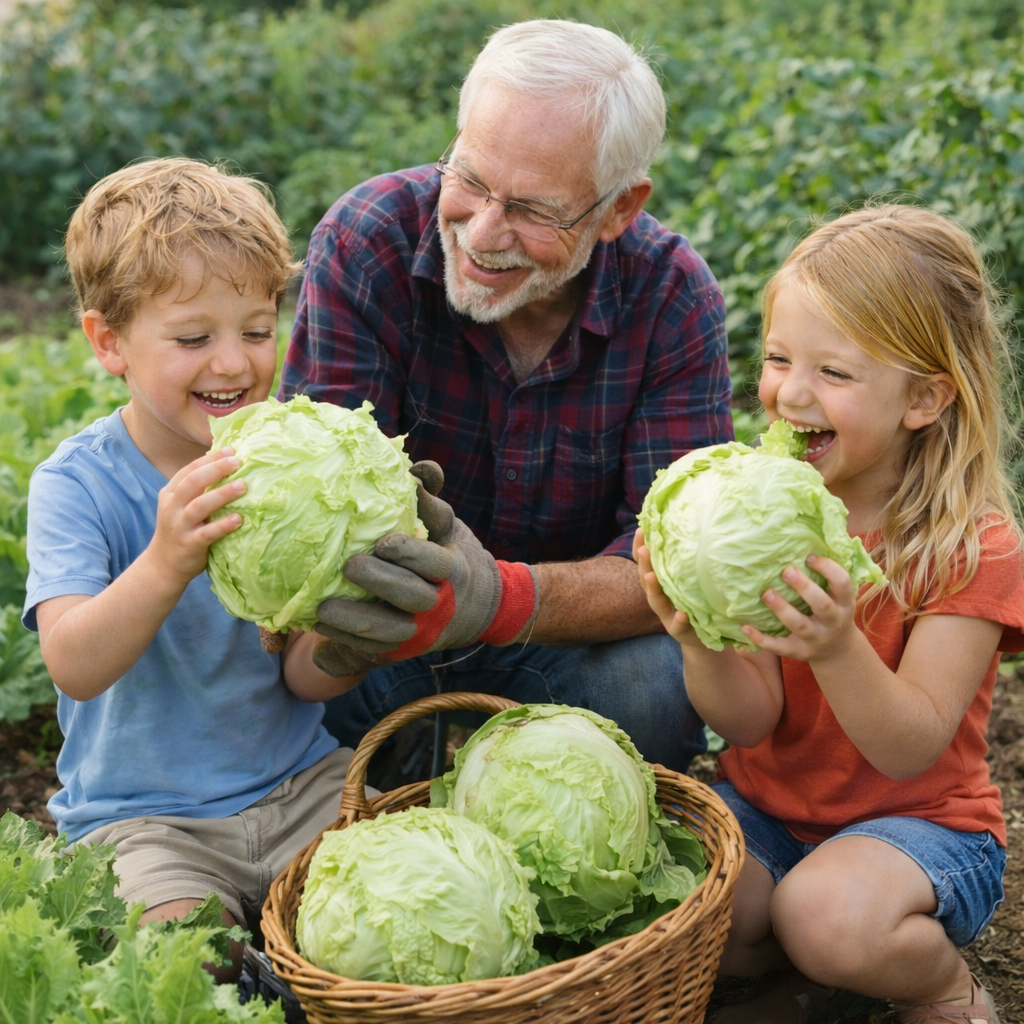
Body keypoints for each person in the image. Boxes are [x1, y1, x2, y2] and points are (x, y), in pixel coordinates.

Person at [278, 18, 733, 776]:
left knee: (654, 685)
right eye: (469, 181)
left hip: (555, 644)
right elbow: (307, 494)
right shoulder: (370, 241)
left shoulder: (672, 299)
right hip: (385, 629)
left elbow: (675, 561)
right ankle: (387, 779)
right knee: (282, 687)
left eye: (533, 210)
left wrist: (497, 599)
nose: (484, 233)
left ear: (619, 209)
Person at [635, 203, 1023, 1023]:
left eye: (834, 374)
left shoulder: (972, 545)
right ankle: (823, 984)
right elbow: (749, 722)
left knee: (825, 917)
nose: (790, 392)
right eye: (778, 359)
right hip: (773, 815)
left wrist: (837, 645)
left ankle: (941, 987)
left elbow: (910, 746)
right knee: (683, 911)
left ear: (925, 398)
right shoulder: (772, 516)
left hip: (922, 833)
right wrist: (699, 639)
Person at [22, 157, 365, 980]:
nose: (234, 364)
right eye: (192, 338)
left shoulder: (289, 465)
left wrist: (360, 632)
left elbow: (302, 679)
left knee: (392, 900)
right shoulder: (76, 485)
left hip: (298, 785)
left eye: (256, 330)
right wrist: (167, 559)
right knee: (192, 961)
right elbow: (73, 664)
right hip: (144, 820)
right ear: (108, 342)